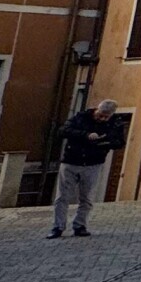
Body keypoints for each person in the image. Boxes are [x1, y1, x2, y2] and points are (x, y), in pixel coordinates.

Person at [49, 99, 126, 237]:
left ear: (111, 115)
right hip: (71, 161)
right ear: (97, 109)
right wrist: (85, 135)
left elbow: (119, 142)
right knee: (62, 197)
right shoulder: (81, 117)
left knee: (86, 198)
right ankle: (58, 227)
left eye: (106, 117)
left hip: (93, 163)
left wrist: (105, 141)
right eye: (100, 115)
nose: (102, 119)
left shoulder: (115, 123)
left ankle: (80, 226)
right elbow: (63, 131)